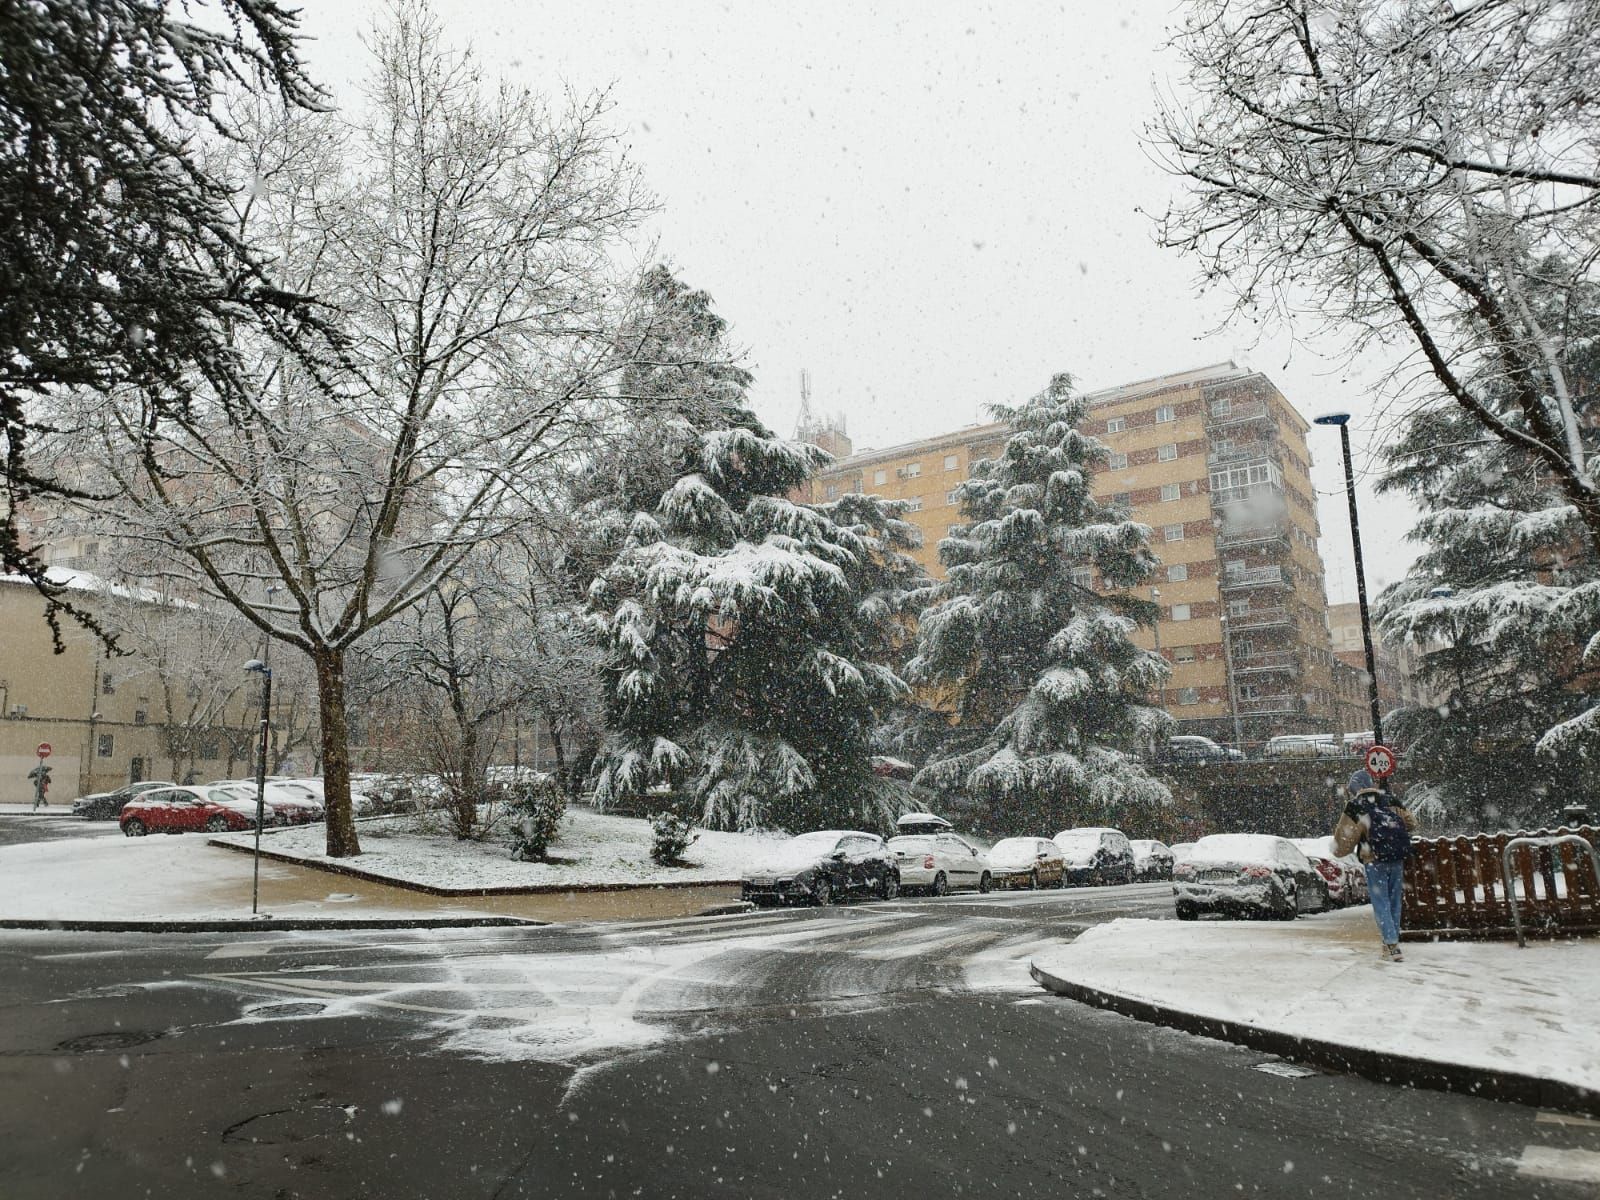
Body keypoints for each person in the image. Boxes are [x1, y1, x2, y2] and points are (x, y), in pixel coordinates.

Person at [1334, 784, 1417, 962]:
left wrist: (1341, 849)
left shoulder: (1355, 805)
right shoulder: (1389, 799)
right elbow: (1412, 822)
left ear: (1356, 787)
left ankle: (1391, 944)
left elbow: (1345, 840)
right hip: (1396, 857)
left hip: (1373, 858)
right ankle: (1392, 943)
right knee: (1395, 901)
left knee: (1381, 902)